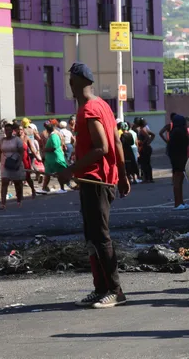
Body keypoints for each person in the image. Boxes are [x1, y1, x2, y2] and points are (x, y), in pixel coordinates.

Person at [59, 63, 130, 309]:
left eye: (71, 78)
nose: (69, 82)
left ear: (76, 82)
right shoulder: (103, 105)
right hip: (99, 179)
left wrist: (71, 169)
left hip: (96, 180)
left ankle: (115, 291)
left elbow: (103, 147)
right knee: (92, 236)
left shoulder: (89, 109)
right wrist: (122, 175)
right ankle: (100, 288)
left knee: (100, 236)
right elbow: (117, 142)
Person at [164, 115, 189, 210]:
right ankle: (178, 203)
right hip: (179, 157)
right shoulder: (180, 132)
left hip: (176, 157)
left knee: (178, 180)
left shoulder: (174, 131)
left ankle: (180, 202)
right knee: (178, 180)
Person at [0, 122, 25, 210]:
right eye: (6, 130)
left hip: (15, 162)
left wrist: (19, 162)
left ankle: (19, 199)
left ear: (12, 131)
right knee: (4, 182)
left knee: (17, 183)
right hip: (5, 164)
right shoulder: (2, 141)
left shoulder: (17, 140)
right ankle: (3, 203)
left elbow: (21, 152)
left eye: (9, 130)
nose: (7, 132)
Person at [42, 120, 68, 193]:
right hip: (50, 160)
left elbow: (54, 147)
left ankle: (62, 188)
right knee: (47, 174)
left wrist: (45, 149)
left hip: (55, 159)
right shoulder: (52, 136)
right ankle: (44, 188)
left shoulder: (54, 136)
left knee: (59, 174)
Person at [16, 122, 40, 198]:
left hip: (25, 160)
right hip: (17, 160)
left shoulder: (26, 138)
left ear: (23, 130)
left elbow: (32, 148)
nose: (20, 131)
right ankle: (20, 194)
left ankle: (33, 190)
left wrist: (37, 157)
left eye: (21, 129)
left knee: (27, 177)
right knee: (18, 178)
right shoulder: (14, 139)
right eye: (18, 129)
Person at [137, 118, 155, 183]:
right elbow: (153, 135)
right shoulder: (146, 129)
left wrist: (143, 143)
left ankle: (146, 178)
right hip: (147, 148)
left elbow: (147, 136)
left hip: (144, 149)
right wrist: (149, 142)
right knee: (148, 163)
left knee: (144, 164)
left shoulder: (142, 130)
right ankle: (150, 178)